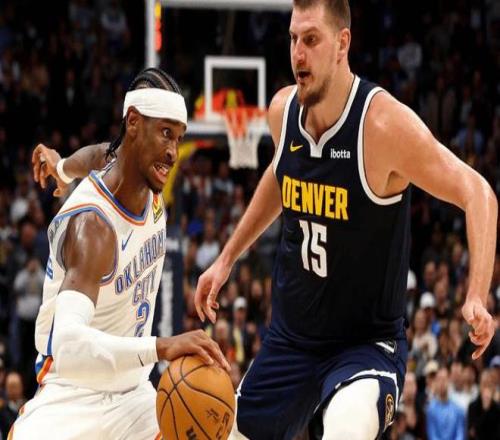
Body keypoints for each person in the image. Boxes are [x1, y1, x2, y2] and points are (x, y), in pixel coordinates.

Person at [194, 1, 497, 439]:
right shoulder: (282, 112)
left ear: (342, 43)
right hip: (291, 340)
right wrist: (226, 259)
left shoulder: (382, 126)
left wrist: (476, 295)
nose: (298, 54)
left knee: (346, 429)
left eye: (311, 39)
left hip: (364, 348)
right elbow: (281, 175)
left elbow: (478, 193)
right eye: (293, 39)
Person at [11, 68, 229, 439]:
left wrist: (62, 168)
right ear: (133, 123)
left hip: (132, 394)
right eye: (165, 133)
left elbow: (99, 154)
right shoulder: (93, 228)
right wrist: (163, 346)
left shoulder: (139, 173)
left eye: (179, 138)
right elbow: (68, 345)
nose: (173, 152)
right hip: (73, 396)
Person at [426, 367, 465, 440]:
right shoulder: (431, 409)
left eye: (444, 379)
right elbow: (432, 435)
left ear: (449, 381)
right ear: (435, 382)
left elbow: (460, 435)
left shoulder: (458, 410)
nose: (442, 383)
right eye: (439, 380)